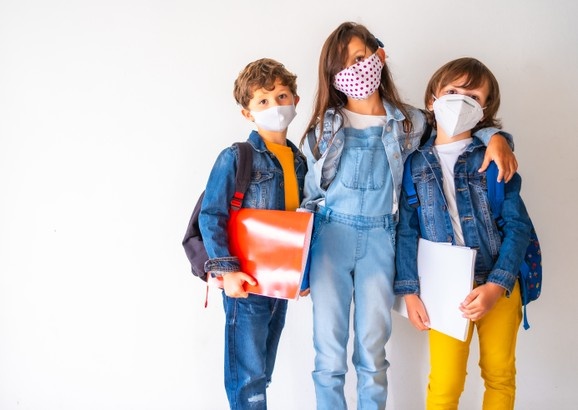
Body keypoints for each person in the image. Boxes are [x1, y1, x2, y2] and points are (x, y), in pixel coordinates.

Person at [299, 22, 518, 410]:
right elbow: (310, 197)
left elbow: (460, 131)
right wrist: (298, 264)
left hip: (383, 238)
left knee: (373, 352)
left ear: (380, 56)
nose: (356, 69)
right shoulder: (323, 127)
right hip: (330, 238)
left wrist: (498, 138)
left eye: (362, 58)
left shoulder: (410, 123)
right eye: (345, 64)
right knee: (328, 356)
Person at [394, 57, 532, 409]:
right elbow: (406, 233)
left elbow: (518, 227)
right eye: (452, 91)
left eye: (472, 96)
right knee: (445, 383)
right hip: (444, 290)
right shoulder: (413, 162)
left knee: (500, 374)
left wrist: (496, 284)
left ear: (484, 110)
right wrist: (409, 292)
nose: (460, 101)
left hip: (499, 286)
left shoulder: (495, 157)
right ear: (432, 100)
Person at [198, 58, 308, 410]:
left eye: (281, 96)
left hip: (280, 285)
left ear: (295, 100)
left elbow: (301, 222)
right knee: (247, 378)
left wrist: (302, 273)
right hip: (245, 284)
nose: (275, 106)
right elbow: (211, 214)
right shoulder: (237, 156)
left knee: (262, 371)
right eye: (262, 101)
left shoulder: (300, 161)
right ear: (247, 113)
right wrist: (227, 272)